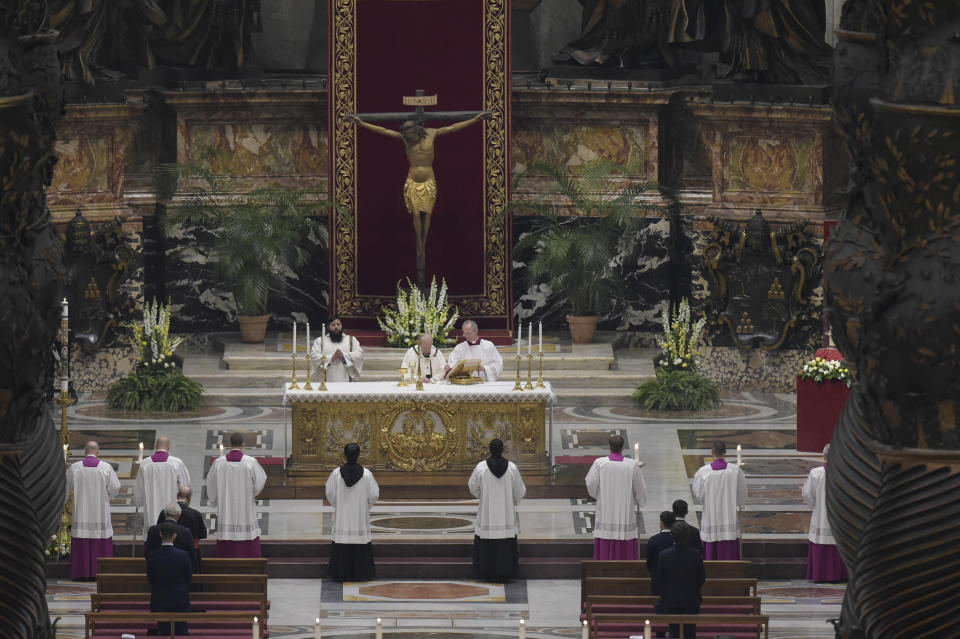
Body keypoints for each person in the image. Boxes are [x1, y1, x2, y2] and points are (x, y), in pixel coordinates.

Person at [346, 111, 491, 284]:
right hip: (413, 180)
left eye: (410, 134)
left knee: (427, 213)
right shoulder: (406, 139)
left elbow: (452, 128)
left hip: (429, 179)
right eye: (406, 135)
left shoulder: (432, 133)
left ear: (418, 130)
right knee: (416, 214)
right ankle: (419, 244)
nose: (408, 137)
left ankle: (423, 241)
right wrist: (361, 123)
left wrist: (475, 119)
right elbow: (383, 131)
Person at [469, 439, 526, 582]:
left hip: (487, 515)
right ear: (502, 450)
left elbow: (472, 487)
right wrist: (512, 497)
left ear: (489, 449)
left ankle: (486, 571)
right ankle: (505, 571)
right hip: (505, 516)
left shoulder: (481, 467)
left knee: (486, 540)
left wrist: (482, 495)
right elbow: (520, 491)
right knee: (505, 542)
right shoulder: (512, 468)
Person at [585, 434, 647, 559]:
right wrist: (638, 500)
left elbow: (590, 483)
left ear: (609, 447)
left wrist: (599, 495)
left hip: (605, 510)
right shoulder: (631, 465)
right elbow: (641, 489)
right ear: (623, 447)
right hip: (625, 513)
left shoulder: (599, 463)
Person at [206, 432, 267, 558]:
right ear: (243, 444)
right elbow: (261, 480)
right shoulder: (251, 462)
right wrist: (250, 493)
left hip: (226, 505)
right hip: (245, 505)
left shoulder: (219, 463)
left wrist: (216, 499)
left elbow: (210, 483)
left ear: (229, 444)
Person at [325, 443, 380, 581]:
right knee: (360, 539)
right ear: (359, 455)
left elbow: (329, 492)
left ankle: (340, 573)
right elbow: (374, 494)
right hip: (359, 517)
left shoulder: (336, 474)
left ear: (344, 455)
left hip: (343, 516)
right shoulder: (367, 474)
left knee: (342, 540)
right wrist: (366, 506)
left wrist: (337, 504)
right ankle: (362, 573)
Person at [66, 441, 120, 579]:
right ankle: (101, 573)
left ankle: (81, 574)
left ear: (85, 451)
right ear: (97, 452)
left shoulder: (74, 468)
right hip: (100, 513)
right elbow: (115, 488)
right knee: (100, 539)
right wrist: (105, 497)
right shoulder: (106, 468)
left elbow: (65, 489)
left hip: (81, 514)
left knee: (81, 540)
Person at [692, 441, 747, 559]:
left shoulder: (703, 472)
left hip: (711, 516)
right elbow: (742, 493)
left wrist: (708, 501)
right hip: (729, 515)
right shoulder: (735, 471)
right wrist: (734, 502)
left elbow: (698, 494)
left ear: (712, 452)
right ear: (725, 452)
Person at [652, 521, 706, 639]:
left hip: (671, 599)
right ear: (688, 536)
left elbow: (660, 579)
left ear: (672, 536)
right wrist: (692, 588)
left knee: (674, 632)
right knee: (690, 632)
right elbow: (702, 577)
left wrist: (668, 591)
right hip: (691, 599)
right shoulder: (695, 554)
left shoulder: (664, 555)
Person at [802, 444, 848, 582]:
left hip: (821, 515)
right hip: (841, 517)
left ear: (823, 456)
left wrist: (815, 506)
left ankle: (820, 574)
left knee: (821, 539)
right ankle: (841, 574)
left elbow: (807, 494)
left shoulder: (816, 473)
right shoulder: (847, 472)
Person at [135, 436, 190, 538]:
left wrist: (140, 502)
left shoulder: (145, 464)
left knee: (152, 530)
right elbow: (184, 486)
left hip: (151, 507)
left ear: (155, 446)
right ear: (169, 447)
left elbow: (139, 488)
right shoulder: (177, 463)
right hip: (172, 508)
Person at [146, 520, 193, 637]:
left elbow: (150, 577)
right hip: (180, 597)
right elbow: (188, 576)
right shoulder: (183, 555)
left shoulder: (152, 555)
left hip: (159, 597)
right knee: (181, 631)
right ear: (175, 535)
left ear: (160, 535)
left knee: (163, 631)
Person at [158, 485, 208, 569]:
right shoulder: (196, 514)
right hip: (188, 557)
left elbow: (158, 531)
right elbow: (201, 535)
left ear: (177, 495)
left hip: (166, 556)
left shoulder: (165, 512)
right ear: (190, 498)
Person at [147, 502, 198, 573]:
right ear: (179, 515)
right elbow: (191, 555)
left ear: (164, 514)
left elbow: (147, 553)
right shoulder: (185, 531)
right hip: (179, 572)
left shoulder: (153, 530)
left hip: (158, 571)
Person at [312, 315, 364, 382]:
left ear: (341, 326)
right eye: (333, 325)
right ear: (328, 327)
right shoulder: (320, 341)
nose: (336, 327)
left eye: (338, 324)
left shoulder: (351, 340)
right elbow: (314, 356)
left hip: (346, 380)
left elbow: (359, 354)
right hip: (327, 381)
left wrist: (344, 357)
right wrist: (331, 358)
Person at [646, 511, 677, 578]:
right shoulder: (678, 539)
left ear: (661, 523)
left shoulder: (653, 540)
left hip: (657, 578)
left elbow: (649, 563)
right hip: (675, 579)